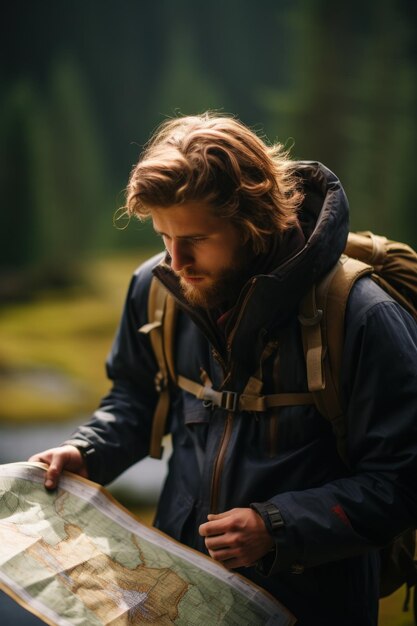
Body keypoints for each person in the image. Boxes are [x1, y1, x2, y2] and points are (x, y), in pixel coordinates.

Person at [29, 112, 417, 625]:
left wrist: (276, 526)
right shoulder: (157, 290)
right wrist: (88, 452)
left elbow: (401, 479)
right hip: (179, 593)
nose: (176, 260)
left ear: (254, 221)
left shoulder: (362, 314)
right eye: (163, 237)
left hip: (312, 606)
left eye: (195, 239)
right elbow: (136, 397)